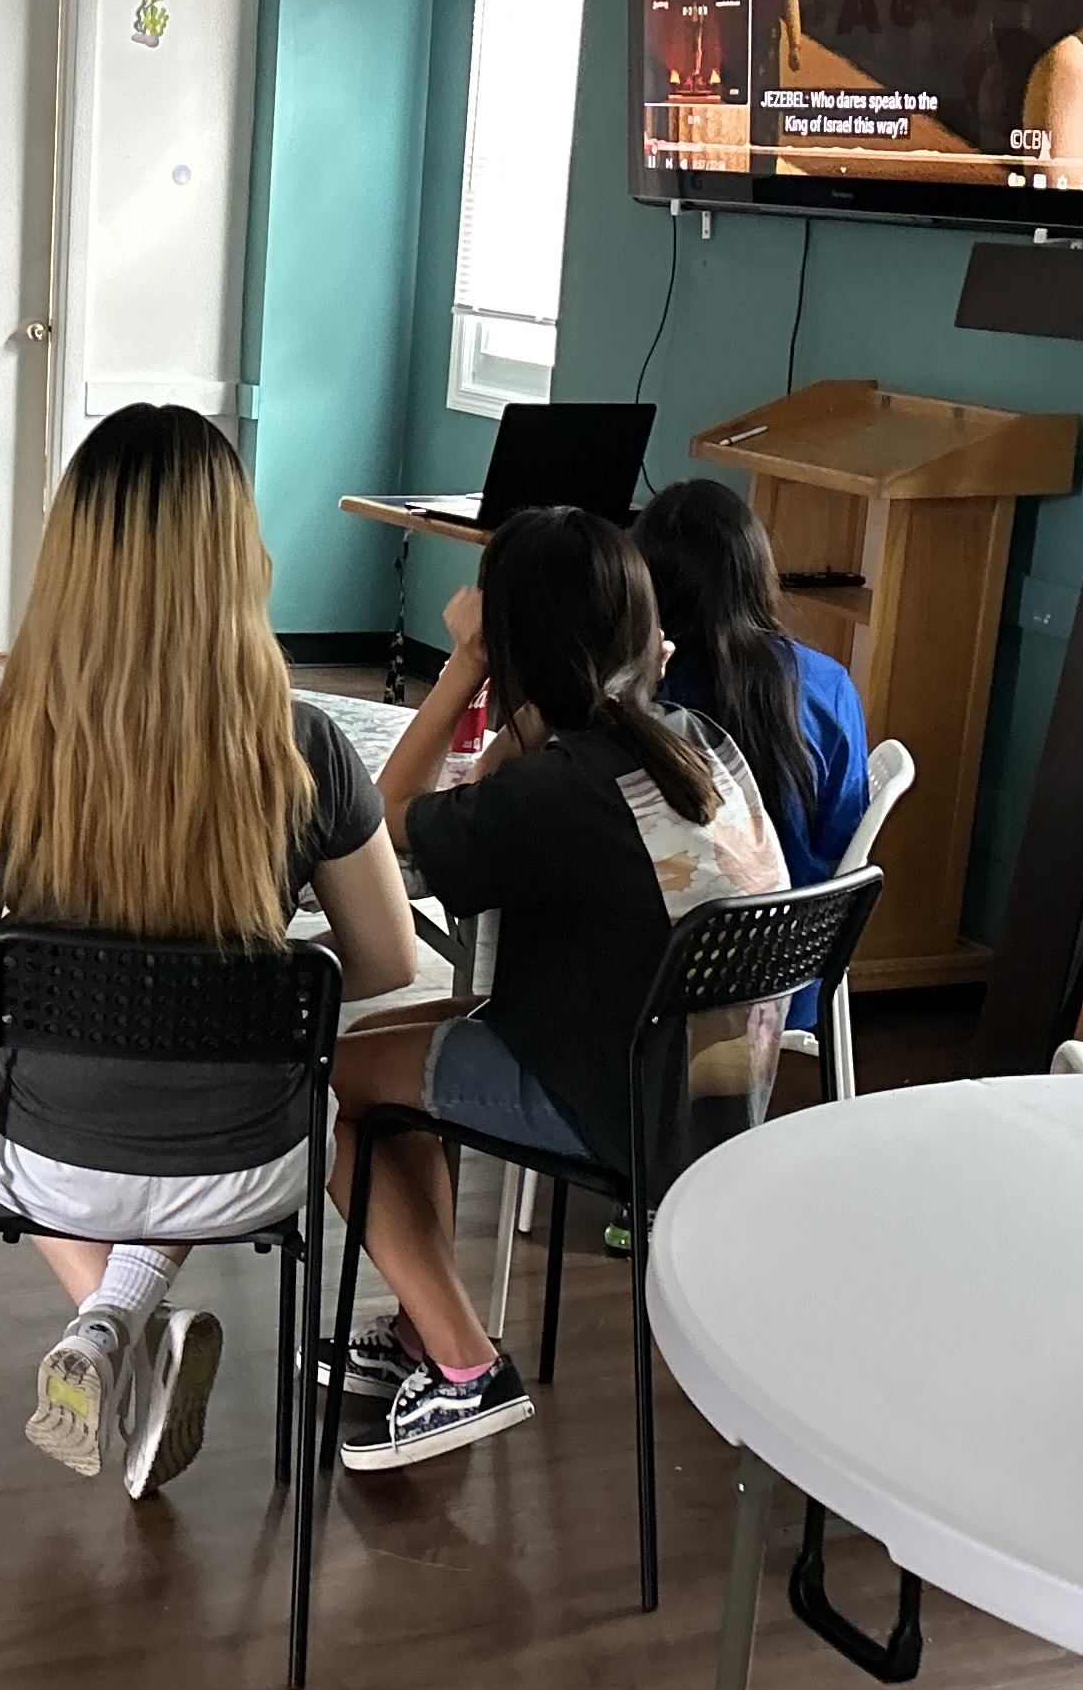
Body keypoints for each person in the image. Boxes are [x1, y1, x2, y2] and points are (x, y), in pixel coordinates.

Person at [0, 407, 420, 1496]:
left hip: (49, 1157)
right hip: (254, 1156)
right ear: (235, 553)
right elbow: (389, 961)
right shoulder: (307, 748)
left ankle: (114, 1322)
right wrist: (256, 973)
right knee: (191, 1082)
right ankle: (120, 1325)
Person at [325, 510, 790, 1471]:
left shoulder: (564, 792)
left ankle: (464, 1367)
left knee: (329, 1082)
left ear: (515, 645)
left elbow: (383, 814)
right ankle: (424, 1328)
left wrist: (463, 669)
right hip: (708, 1095)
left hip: (616, 1099)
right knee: (396, 1055)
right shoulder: (694, 741)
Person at [637, 479, 870, 886]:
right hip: (795, 919)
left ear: (644, 583)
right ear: (758, 569)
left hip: (671, 919)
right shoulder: (829, 684)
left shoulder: (640, 694)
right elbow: (841, 839)